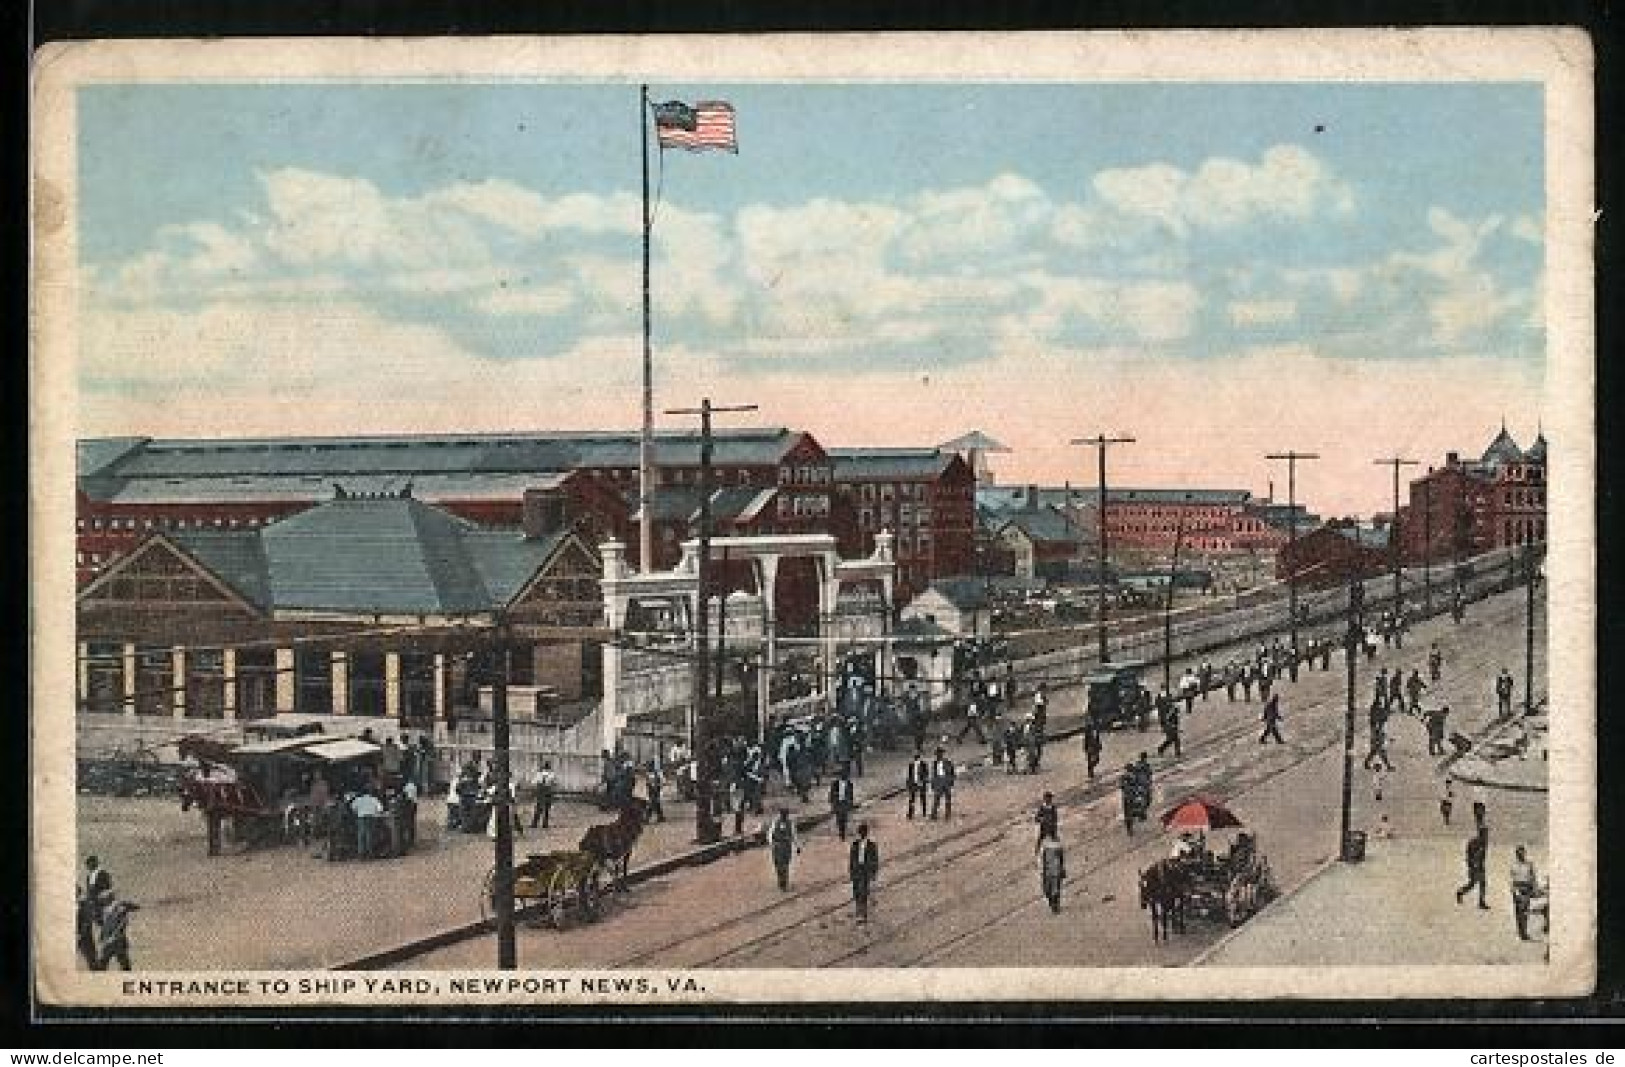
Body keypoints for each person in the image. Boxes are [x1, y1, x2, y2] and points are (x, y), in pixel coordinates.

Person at [1457, 809, 1491, 909]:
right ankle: (1461, 893)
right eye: (1485, 834)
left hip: (1479, 865)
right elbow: (1469, 855)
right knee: (1474, 884)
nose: (1487, 836)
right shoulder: (1475, 842)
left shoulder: (1482, 842)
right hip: (1474, 866)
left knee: (1480, 883)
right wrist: (1472, 864)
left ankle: (1480, 901)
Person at [94, 895, 137, 971]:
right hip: (111, 941)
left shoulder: (117, 908)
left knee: (121, 963)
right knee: (105, 962)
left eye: (104, 899)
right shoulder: (106, 909)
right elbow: (106, 926)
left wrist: (113, 935)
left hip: (116, 940)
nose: (102, 901)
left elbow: (123, 923)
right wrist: (102, 936)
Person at [849, 822, 881, 923]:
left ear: (866, 833)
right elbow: (851, 859)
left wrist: (873, 873)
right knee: (856, 892)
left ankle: (863, 914)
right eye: (860, 832)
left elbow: (875, 860)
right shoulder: (855, 844)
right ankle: (859, 911)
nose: (862, 834)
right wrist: (851, 871)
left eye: (863, 832)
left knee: (864, 892)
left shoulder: (872, 845)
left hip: (865, 871)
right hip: (856, 870)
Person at [767, 808, 801, 891]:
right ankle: (781, 881)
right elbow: (770, 835)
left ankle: (784, 883)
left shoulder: (790, 824)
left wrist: (797, 846)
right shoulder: (775, 823)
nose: (784, 816)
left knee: (785, 865)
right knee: (778, 865)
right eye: (783, 815)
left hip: (786, 846)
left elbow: (794, 836)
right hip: (778, 846)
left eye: (785, 815)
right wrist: (772, 844)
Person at [1509, 845, 1539, 940]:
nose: (1521, 855)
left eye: (1522, 853)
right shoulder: (1514, 865)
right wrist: (1513, 889)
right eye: (1518, 853)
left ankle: (1524, 932)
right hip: (1517, 888)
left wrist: (1535, 889)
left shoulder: (1529, 864)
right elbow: (1512, 878)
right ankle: (1521, 932)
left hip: (1527, 888)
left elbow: (1533, 877)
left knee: (1525, 910)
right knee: (1518, 911)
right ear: (1516, 854)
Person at [351, 789, 384, 858]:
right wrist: (376, 813)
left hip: (361, 817)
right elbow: (380, 808)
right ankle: (370, 852)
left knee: (361, 835)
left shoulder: (358, 799)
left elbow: (353, 808)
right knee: (369, 834)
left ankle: (361, 853)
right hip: (371, 817)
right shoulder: (373, 799)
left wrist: (358, 812)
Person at [1038, 833, 1066, 914]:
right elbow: (1041, 859)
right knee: (1047, 889)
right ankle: (1053, 902)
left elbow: (1061, 858)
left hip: (1055, 870)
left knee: (1055, 888)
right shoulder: (1045, 845)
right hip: (1047, 870)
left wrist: (1062, 868)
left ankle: (1055, 904)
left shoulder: (1057, 845)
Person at [828, 767, 856, 841]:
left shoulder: (850, 784)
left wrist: (851, 804)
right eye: (843, 775)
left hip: (845, 803)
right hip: (837, 803)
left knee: (844, 818)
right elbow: (831, 794)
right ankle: (841, 832)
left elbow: (851, 795)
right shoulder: (835, 784)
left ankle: (842, 833)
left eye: (845, 775)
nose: (844, 776)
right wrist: (832, 802)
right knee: (839, 819)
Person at [930, 747, 956, 820]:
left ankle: (947, 815)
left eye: (940, 753)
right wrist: (933, 784)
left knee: (948, 799)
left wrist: (951, 781)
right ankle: (933, 815)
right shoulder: (934, 763)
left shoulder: (948, 762)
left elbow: (952, 772)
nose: (938, 755)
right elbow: (933, 774)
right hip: (938, 782)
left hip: (946, 782)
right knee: (936, 799)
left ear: (942, 754)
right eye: (937, 754)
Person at [530, 760, 556, 830]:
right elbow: (554, 783)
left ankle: (535, 823)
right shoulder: (552, 774)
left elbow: (533, 782)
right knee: (546, 808)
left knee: (539, 807)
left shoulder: (539, 774)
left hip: (541, 791)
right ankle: (545, 824)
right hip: (547, 791)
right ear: (549, 767)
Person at [905, 750, 929, 820]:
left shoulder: (924, 764)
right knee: (912, 799)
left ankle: (924, 813)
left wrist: (923, 781)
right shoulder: (911, 764)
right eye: (915, 756)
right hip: (913, 783)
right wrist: (908, 784)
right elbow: (909, 775)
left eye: (917, 756)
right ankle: (910, 814)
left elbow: (926, 774)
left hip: (921, 783)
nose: (916, 757)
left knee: (923, 798)